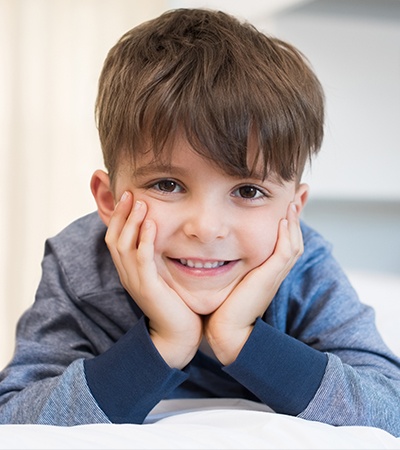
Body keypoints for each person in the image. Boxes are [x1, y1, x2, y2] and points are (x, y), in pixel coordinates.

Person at [0, 8, 399, 435]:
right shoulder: (80, 267)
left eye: (248, 191)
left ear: (293, 210)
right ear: (110, 200)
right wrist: (165, 342)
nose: (206, 228)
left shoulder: (303, 270)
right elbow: (15, 417)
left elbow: (388, 409)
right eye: (168, 184)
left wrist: (240, 338)